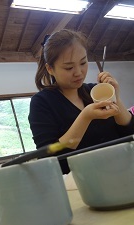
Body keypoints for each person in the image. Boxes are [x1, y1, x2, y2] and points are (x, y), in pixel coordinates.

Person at [28, 29, 134, 174]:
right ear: (50, 69)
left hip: (122, 171)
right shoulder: (42, 102)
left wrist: (116, 97)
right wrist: (85, 117)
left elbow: (129, 131)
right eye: (69, 67)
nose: (78, 72)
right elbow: (49, 153)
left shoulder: (94, 91)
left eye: (83, 62)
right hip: (80, 183)